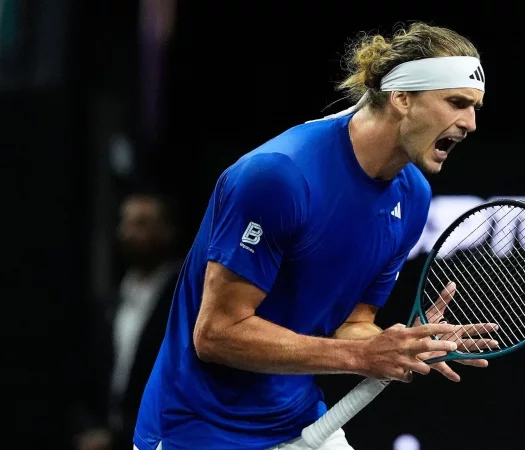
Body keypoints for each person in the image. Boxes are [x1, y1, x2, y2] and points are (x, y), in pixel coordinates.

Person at [133, 22, 491, 450]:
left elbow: (351, 324)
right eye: (456, 102)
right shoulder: (279, 176)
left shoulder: (413, 196)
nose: (470, 123)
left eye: (474, 107)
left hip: (298, 421)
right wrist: (362, 356)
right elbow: (216, 335)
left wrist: (397, 346)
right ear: (402, 98)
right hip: (195, 431)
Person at [74, 191, 181, 450]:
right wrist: (91, 428)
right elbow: (89, 375)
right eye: (126, 223)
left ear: (166, 231)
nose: (129, 233)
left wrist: (119, 435)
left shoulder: (183, 299)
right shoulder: (110, 301)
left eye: (142, 224)